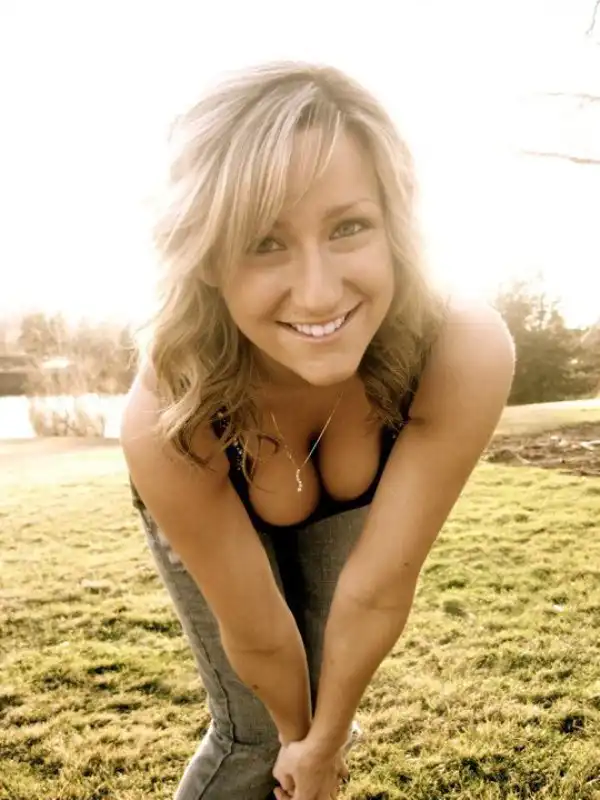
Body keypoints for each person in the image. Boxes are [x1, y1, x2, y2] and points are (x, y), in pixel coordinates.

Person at [120, 60, 515, 800]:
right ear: (206, 258)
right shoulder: (168, 411)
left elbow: (378, 590)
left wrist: (326, 745)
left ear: (395, 224)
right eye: (264, 242)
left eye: (349, 227)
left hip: (356, 559)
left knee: (320, 710)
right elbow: (259, 634)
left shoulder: (461, 348)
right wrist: (301, 748)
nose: (319, 291)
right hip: (214, 496)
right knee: (255, 737)